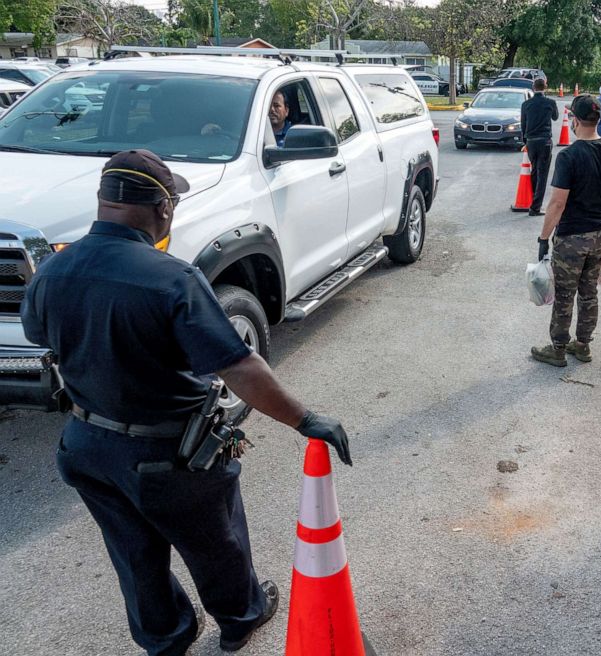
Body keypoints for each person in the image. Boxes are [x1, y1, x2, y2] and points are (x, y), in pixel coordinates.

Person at [21, 150, 353, 655]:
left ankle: (166, 637)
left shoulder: (52, 271)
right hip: (167, 455)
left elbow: (39, 335)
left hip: (86, 448)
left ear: (103, 202)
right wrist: (305, 419)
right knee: (214, 542)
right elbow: (238, 365)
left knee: (132, 551)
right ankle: (241, 618)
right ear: (162, 208)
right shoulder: (170, 278)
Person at [531, 95, 601, 367]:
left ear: (574, 120)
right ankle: (583, 345)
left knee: (564, 294)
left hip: (572, 238)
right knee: (589, 291)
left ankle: (558, 348)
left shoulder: (569, 156)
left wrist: (543, 237)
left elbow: (558, 203)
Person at [520, 77, 560, 216]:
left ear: (533, 87)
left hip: (531, 140)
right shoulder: (550, 102)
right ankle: (536, 207)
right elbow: (555, 117)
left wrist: (524, 142)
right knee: (543, 173)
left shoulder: (526, 104)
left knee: (534, 171)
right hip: (545, 141)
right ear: (545, 87)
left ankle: (533, 200)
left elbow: (523, 125)